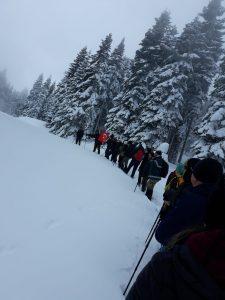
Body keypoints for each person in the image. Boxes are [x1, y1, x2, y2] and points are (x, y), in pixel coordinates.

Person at [126, 174, 225, 300]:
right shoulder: (186, 185)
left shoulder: (170, 263)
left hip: (175, 246)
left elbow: (162, 233)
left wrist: (171, 205)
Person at [155, 158, 223, 246]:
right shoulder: (213, 197)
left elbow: (161, 234)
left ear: (197, 177)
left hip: (178, 246)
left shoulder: (194, 199)